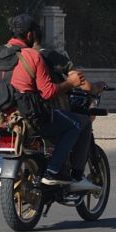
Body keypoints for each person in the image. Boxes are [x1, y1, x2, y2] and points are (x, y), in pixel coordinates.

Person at [0, 14, 90, 189]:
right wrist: (70, 83)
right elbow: (48, 93)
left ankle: (3, 172)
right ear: (31, 35)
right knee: (78, 123)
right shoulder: (33, 56)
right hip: (28, 120)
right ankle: (54, 171)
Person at [40, 46, 101, 190]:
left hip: (8, 115)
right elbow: (84, 85)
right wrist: (98, 87)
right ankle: (75, 176)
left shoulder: (5, 56)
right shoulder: (48, 55)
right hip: (44, 112)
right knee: (81, 123)